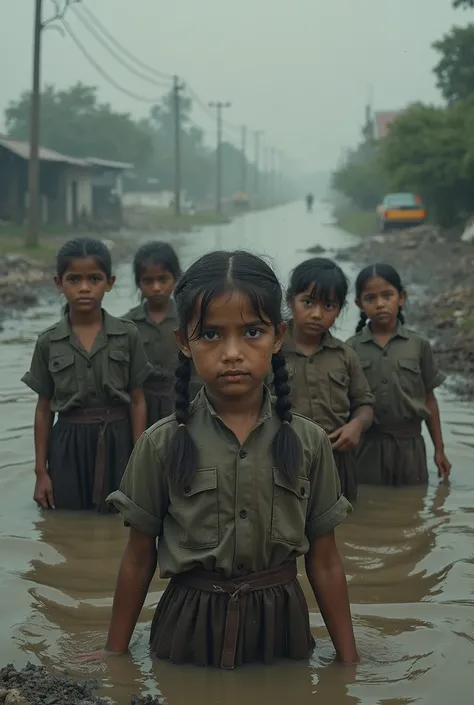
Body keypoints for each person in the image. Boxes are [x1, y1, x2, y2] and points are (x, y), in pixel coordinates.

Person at [90, 250, 358, 669]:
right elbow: (138, 558)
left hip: (281, 629)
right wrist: (114, 654)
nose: (232, 352)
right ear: (183, 342)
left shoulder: (310, 442)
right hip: (187, 629)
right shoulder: (159, 444)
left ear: (278, 336)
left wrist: (349, 662)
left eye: (252, 331)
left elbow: (324, 561)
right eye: (211, 335)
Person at [21, 237, 151, 513]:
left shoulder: (128, 335)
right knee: (65, 520)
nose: (84, 288)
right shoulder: (48, 342)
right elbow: (44, 409)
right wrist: (41, 472)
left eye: (94, 278)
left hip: (119, 441)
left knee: (123, 517)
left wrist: (139, 460)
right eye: (73, 279)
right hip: (67, 445)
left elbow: (138, 400)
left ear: (110, 282)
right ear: (59, 283)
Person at [275, 258, 374, 502]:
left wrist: (356, 426)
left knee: (343, 531)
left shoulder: (345, 355)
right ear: (290, 300)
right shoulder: (269, 350)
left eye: (328, 306)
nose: (317, 314)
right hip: (282, 461)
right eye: (307, 302)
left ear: (340, 310)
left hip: (336, 463)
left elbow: (364, 404)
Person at [347, 263, 451, 486]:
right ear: (359, 304)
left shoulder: (419, 345)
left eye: (387, 295)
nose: (380, 304)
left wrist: (439, 450)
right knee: (367, 505)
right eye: (370, 298)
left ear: (401, 297)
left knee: (413, 509)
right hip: (367, 447)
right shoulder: (351, 349)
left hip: (410, 447)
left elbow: (429, 400)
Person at [122, 241, 185, 426]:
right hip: (139, 405)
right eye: (148, 281)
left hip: (181, 401)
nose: (156, 287)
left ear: (175, 279)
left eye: (163, 279)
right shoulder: (127, 324)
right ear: (139, 283)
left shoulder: (188, 320)